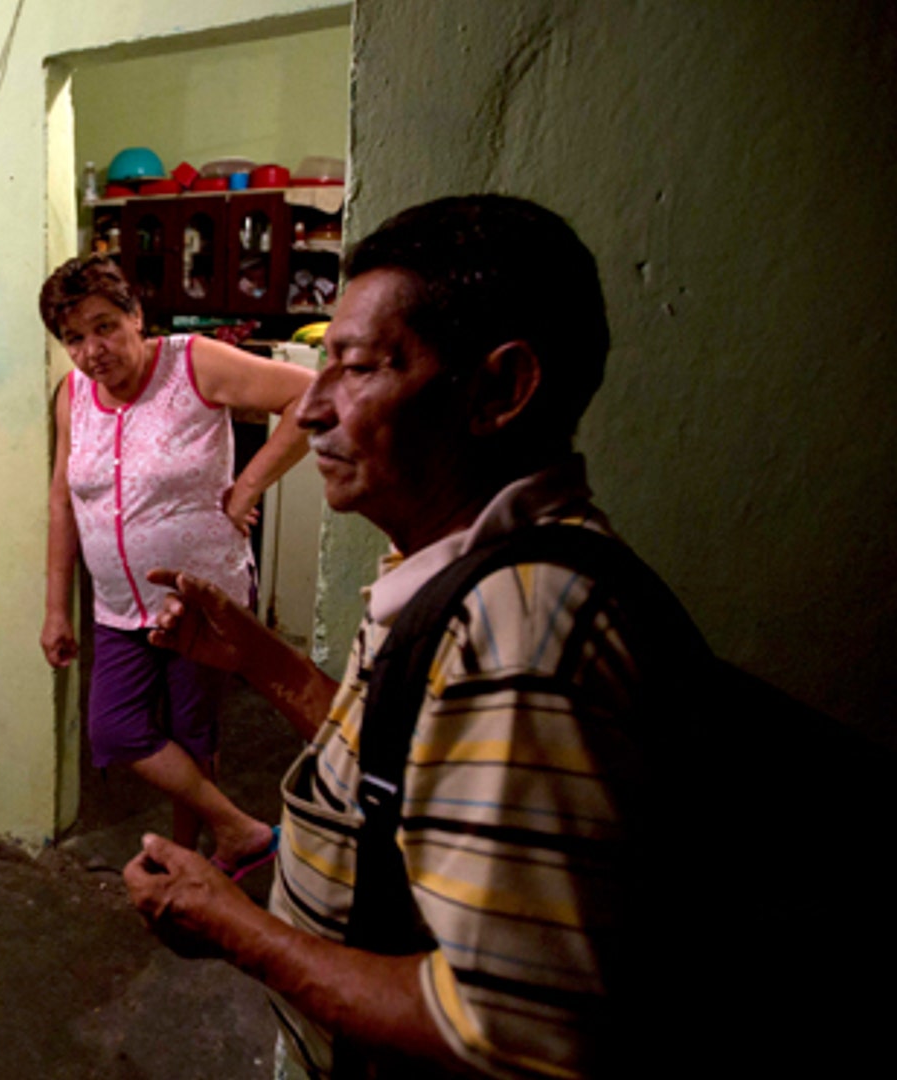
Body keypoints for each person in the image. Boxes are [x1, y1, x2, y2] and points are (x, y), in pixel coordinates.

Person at [123, 195, 652, 1078]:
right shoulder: (469, 574)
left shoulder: (516, 632)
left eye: (358, 368)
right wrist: (260, 658)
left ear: (499, 390)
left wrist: (237, 927)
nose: (315, 409)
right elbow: (405, 768)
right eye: (321, 366)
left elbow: (514, 1027)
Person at [40, 254, 313, 876]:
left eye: (105, 327)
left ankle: (194, 861)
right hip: (114, 603)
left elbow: (311, 396)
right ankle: (238, 830)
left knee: (194, 731)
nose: (92, 351)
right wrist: (57, 607)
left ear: (138, 317)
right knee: (114, 731)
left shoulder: (191, 362)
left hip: (201, 596)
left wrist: (249, 486)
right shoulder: (73, 394)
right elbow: (62, 499)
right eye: (74, 338)